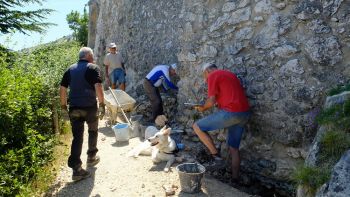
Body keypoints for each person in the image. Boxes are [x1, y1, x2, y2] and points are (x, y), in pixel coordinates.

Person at [192, 63, 251, 182]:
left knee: (197, 126)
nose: (206, 79)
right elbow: (229, 96)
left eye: (205, 76)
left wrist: (202, 108)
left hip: (231, 112)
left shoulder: (213, 75)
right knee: (234, 148)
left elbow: (211, 101)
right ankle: (235, 179)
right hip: (244, 113)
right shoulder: (230, 75)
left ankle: (216, 157)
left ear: (208, 70)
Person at [60, 47, 105, 181]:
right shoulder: (93, 67)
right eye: (92, 55)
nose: (93, 57)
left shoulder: (70, 69)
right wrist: (102, 104)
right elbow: (98, 86)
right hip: (89, 106)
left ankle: (77, 170)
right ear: (88, 56)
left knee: (77, 137)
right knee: (93, 130)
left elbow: (62, 88)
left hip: (74, 108)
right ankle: (91, 157)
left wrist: (63, 107)